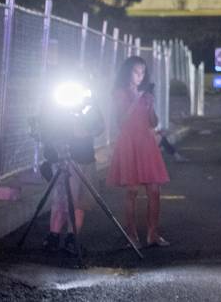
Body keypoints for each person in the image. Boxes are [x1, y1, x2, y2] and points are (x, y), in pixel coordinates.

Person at [106, 56, 170, 248]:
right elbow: (120, 120)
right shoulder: (119, 93)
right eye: (136, 72)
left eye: (142, 72)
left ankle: (153, 233)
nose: (140, 76)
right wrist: (136, 98)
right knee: (132, 190)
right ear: (128, 72)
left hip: (146, 142)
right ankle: (131, 235)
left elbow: (153, 122)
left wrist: (149, 105)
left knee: (154, 189)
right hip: (129, 142)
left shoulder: (146, 95)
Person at [39, 77, 104, 255]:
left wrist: (85, 110)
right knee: (62, 199)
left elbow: (98, 128)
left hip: (85, 158)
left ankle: (71, 238)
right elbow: (48, 130)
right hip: (65, 159)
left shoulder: (89, 104)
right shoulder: (55, 107)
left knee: (80, 202)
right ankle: (53, 237)